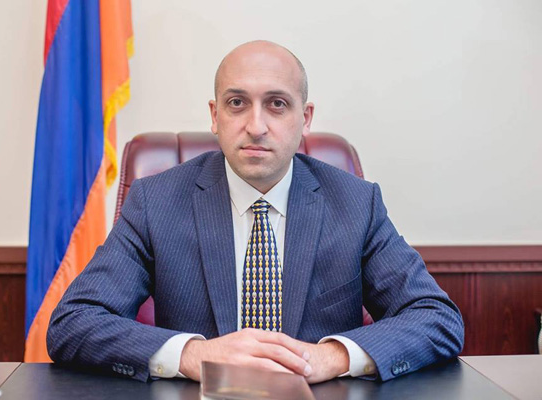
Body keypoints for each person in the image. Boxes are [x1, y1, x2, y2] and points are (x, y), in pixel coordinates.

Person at [47, 40, 464, 383]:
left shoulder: (356, 203)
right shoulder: (156, 202)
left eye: (277, 104)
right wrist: (194, 355)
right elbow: (73, 322)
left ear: (305, 118)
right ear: (215, 116)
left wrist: (330, 357)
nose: (256, 126)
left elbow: (436, 318)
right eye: (237, 103)